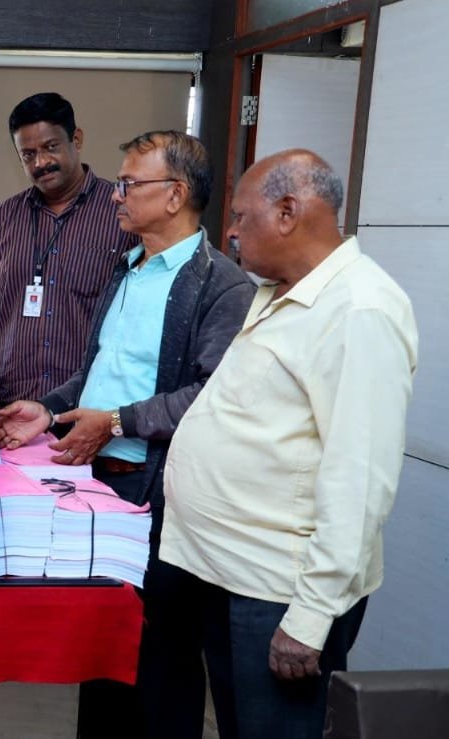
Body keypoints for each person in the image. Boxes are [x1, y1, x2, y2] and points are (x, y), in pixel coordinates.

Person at [0, 131, 255, 739]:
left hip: (160, 494)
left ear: (176, 195)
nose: (116, 194)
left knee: (161, 660)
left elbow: (212, 396)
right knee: (105, 650)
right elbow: (99, 371)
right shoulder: (128, 268)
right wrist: (48, 409)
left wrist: (115, 423)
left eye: (131, 183)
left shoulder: (221, 286)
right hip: (100, 486)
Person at [161, 150, 418, 739]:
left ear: (287, 211)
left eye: (239, 216)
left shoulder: (359, 309)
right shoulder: (280, 291)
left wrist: (310, 618)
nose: (229, 231)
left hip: (281, 592)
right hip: (231, 573)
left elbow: (360, 480)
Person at [0, 92, 137, 410]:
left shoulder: (122, 214)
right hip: (12, 409)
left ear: (76, 139)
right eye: (28, 154)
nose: (40, 163)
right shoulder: (3, 218)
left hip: (87, 412)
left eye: (51, 147)